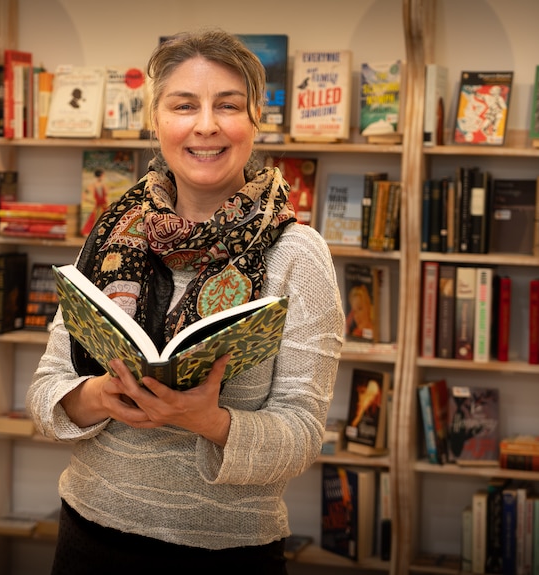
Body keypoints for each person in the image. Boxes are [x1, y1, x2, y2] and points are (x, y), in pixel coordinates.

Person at [27, 28, 345, 575]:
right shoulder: (109, 235)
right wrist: (101, 395)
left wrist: (212, 422)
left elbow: (302, 436)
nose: (206, 125)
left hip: (227, 553)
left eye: (228, 106)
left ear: (255, 122)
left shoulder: (299, 254)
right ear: (157, 121)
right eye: (184, 105)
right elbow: (45, 391)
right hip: (87, 536)